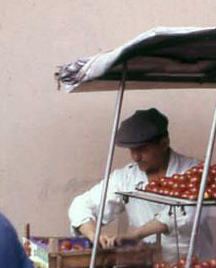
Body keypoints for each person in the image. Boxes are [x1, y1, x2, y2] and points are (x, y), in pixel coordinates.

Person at [68, 107, 200, 254]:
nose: (136, 157)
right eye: (132, 150)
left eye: (142, 149)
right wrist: (93, 234)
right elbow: (81, 205)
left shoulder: (194, 171)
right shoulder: (125, 177)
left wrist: (137, 234)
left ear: (164, 143)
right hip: (144, 262)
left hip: (192, 262)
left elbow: (188, 212)